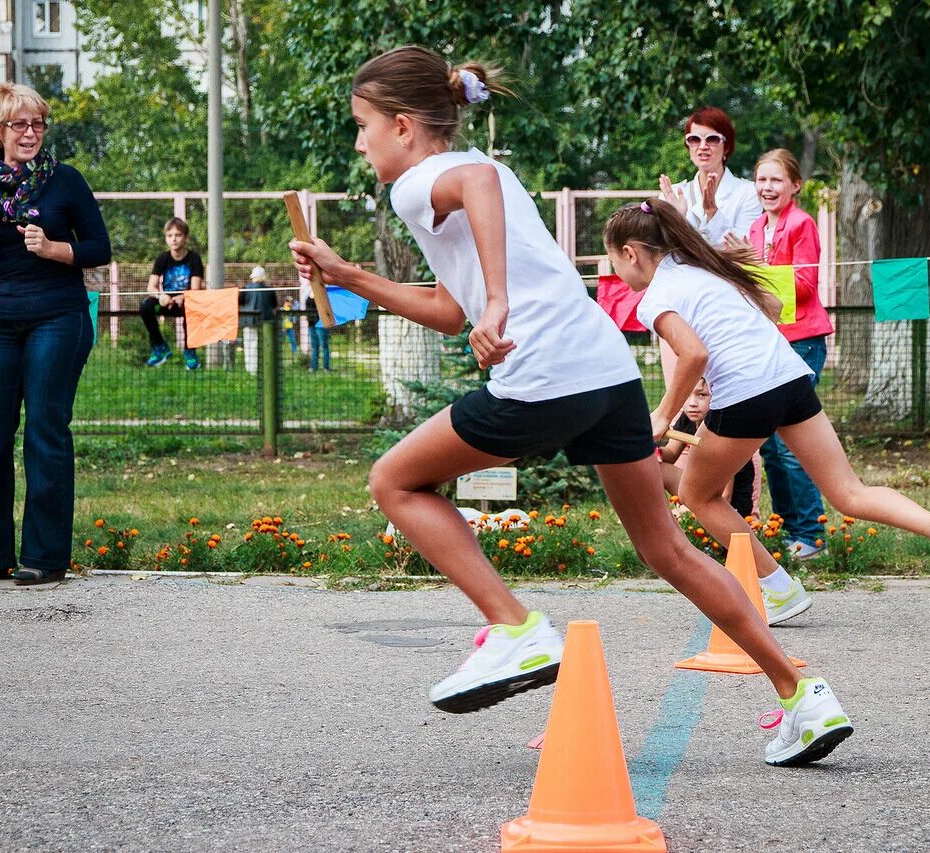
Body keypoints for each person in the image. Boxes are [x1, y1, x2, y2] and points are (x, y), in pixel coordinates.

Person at [291, 45, 842, 766]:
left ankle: (512, 626)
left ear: (402, 125)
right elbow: (450, 310)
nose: (358, 143)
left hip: (543, 374)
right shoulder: (443, 188)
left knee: (393, 480)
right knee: (666, 549)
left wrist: (498, 301)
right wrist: (350, 276)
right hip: (604, 371)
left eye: (362, 126)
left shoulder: (425, 181)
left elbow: (479, 189)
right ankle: (803, 693)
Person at [604, 198, 930, 641]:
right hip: (789, 377)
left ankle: (778, 588)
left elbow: (694, 353)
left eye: (613, 260)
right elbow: (771, 305)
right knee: (849, 492)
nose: (616, 272)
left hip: (745, 392)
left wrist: (662, 414)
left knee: (697, 493)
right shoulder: (706, 267)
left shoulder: (656, 296)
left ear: (631, 253)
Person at [0, 82, 110, 586]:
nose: (31, 132)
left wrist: (56, 249)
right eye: (20, 124)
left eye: (37, 123)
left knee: (44, 431)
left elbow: (99, 248)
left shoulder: (66, 182)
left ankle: (44, 556)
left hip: (57, 318)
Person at [731, 149, 833, 560]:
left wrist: (752, 266)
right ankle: (789, 528)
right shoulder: (755, 227)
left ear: (794, 186)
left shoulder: (801, 224)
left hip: (803, 341)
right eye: (761, 181)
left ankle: (812, 534)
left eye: (776, 181)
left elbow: (805, 285)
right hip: (769, 343)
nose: (767, 188)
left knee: (793, 445)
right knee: (770, 444)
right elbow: (753, 287)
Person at [657, 106, 761, 248]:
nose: (703, 146)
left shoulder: (749, 193)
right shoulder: (672, 194)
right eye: (694, 139)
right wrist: (677, 219)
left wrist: (713, 213)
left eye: (712, 139)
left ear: (727, 147)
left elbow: (743, 249)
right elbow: (662, 251)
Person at [660, 378, 757, 519]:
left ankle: (689, 518)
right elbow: (670, 454)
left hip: (731, 508)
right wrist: (651, 449)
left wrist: (692, 516)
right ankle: (662, 517)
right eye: (687, 394)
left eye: (702, 395)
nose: (692, 403)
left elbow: (726, 494)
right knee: (657, 468)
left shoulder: (724, 426)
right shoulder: (687, 419)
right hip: (703, 493)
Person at [140, 217, 204, 370]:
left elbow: (195, 289)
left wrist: (182, 297)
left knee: (192, 307)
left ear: (186, 237)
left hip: (185, 302)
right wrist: (160, 296)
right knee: (146, 306)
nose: (173, 239)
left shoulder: (194, 258)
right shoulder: (162, 258)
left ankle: (190, 352)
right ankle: (160, 347)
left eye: (178, 235)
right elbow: (151, 286)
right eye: (169, 236)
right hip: (165, 302)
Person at [239, 265, 277, 375]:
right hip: (266, 322)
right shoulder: (270, 290)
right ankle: (265, 367)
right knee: (264, 344)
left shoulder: (246, 288)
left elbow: (239, 301)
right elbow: (274, 304)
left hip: (248, 320)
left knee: (249, 343)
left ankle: (251, 369)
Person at [304, 286, 331, 371]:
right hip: (311, 324)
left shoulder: (322, 291)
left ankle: (326, 367)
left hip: (321, 323)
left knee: (324, 345)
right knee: (314, 346)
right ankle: (313, 367)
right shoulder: (308, 291)